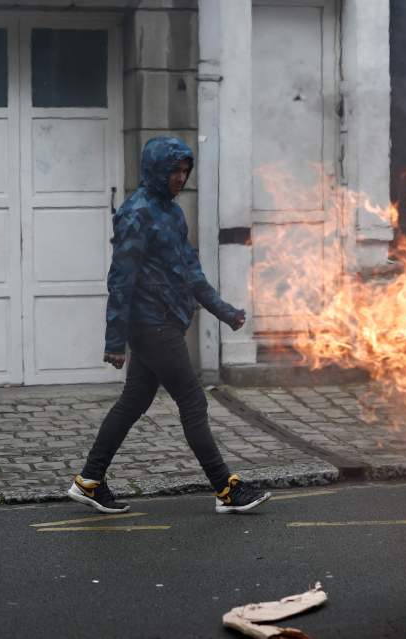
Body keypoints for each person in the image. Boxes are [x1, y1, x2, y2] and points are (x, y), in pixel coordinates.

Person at [67, 137, 270, 515]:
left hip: (166, 321)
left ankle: (89, 481)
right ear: (156, 170)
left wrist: (224, 311)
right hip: (150, 324)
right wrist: (114, 341)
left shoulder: (173, 214)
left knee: (133, 402)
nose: (180, 177)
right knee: (192, 400)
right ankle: (225, 488)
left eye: (184, 170)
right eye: (173, 170)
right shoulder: (136, 213)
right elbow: (120, 279)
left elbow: (191, 273)